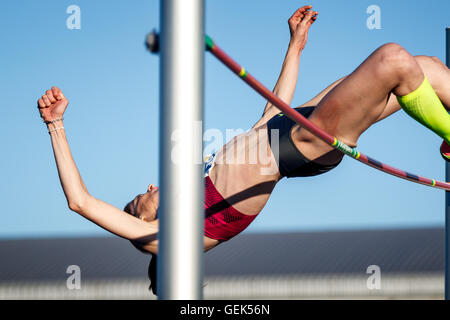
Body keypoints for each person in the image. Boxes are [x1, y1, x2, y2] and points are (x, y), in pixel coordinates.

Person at [37, 6, 450, 295]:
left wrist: (295, 47)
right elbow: (81, 201)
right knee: (391, 59)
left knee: (425, 66)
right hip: (300, 145)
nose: (147, 185)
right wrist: (56, 125)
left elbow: (267, 118)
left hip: (285, 125)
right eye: (139, 197)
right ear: (144, 220)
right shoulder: (166, 238)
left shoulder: (200, 177)